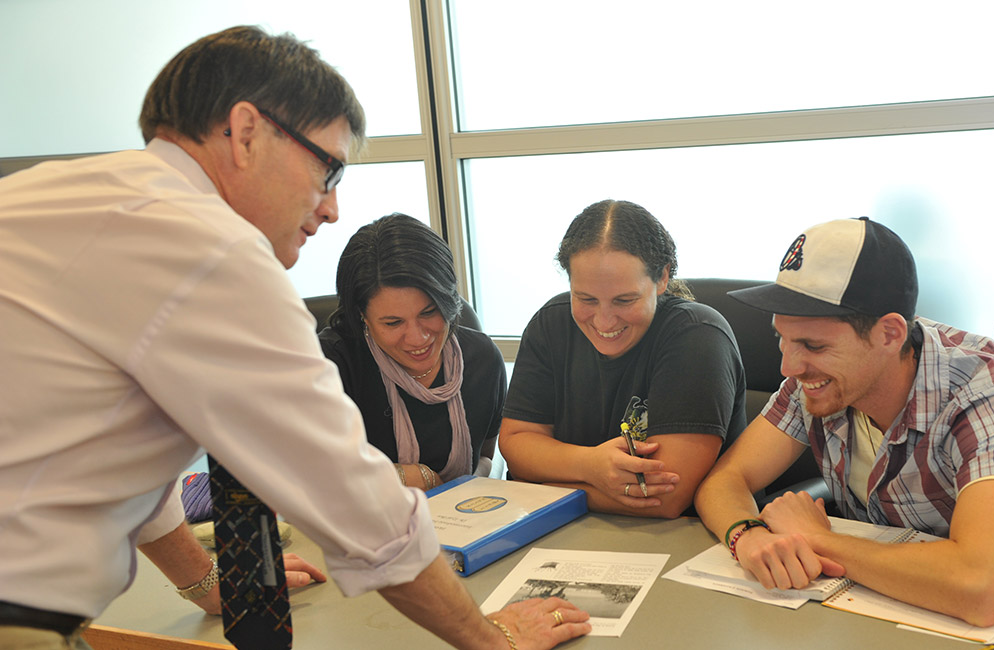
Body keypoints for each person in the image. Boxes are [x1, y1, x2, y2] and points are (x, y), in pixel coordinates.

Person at [0, 26, 588, 650]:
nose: (331, 207)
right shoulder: (208, 248)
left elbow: (109, 454)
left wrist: (205, 584)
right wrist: (492, 638)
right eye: (327, 167)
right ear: (247, 131)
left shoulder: (50, 198)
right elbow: (361, 508)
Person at [694, 216, 994, 626]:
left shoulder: (990, 389)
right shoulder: (818, 381)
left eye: (813, 345)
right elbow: (724, 480)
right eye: (781, 339)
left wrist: (820, 539)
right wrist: (747, 537)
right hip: (872, 608)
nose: (789, 366)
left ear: (890, 334)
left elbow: (984, 589)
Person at [499, 199, 747, 518]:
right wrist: (591, 466)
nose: (604, 322)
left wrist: (537, 487)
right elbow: (517, 442)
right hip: (568, 531)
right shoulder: (550, 324)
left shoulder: (697, 336)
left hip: (683, 542)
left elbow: (666, 499)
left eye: (624, 300)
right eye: (585, 299)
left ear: (661, 279)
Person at [318, 213, 506, 490]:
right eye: (393, 323)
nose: (418, 338)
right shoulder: (333, 364)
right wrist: (398, 477)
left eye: (429, 313)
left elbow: (486, 457)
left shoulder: (481, 358)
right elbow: (312, 470)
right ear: (362, 316)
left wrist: (463, 490)